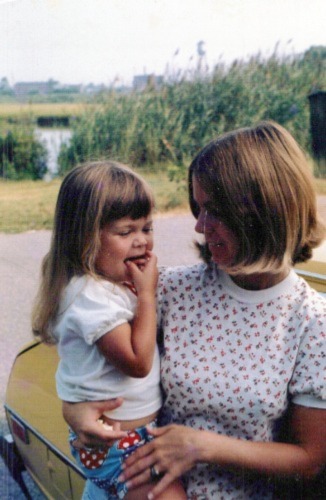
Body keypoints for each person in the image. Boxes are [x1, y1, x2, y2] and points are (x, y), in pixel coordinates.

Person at [62, 122, 326, 499]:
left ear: (264, 211)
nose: (200, 227)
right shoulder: (168, 289)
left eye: (215, 211)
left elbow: (310, 459)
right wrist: (73, 412)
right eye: (198, 209)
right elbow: (85, 355)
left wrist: (202, 446)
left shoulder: (313, 323)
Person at [32, 161, 186, 500]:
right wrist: (146, 295)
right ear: (85, 238)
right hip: (122, 446)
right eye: (125, 231)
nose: (141, 241)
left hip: (130, 438)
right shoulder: (89, 295)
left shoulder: (111, 286)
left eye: (147, 228)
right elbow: (137, 361)